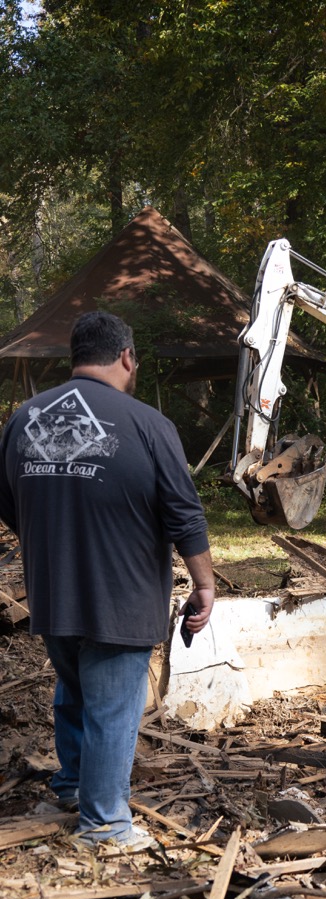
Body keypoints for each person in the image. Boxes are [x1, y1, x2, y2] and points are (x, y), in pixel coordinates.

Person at [0, 311, 214, 850]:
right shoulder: (147, 424)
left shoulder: (23, 419)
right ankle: (105, 826)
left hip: (52, 594)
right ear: (126, 357)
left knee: (73, 692)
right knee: (112, 709)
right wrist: (205, 585)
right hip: (122, 598)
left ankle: (71, 785)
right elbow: (185, 515)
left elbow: (8, 503)